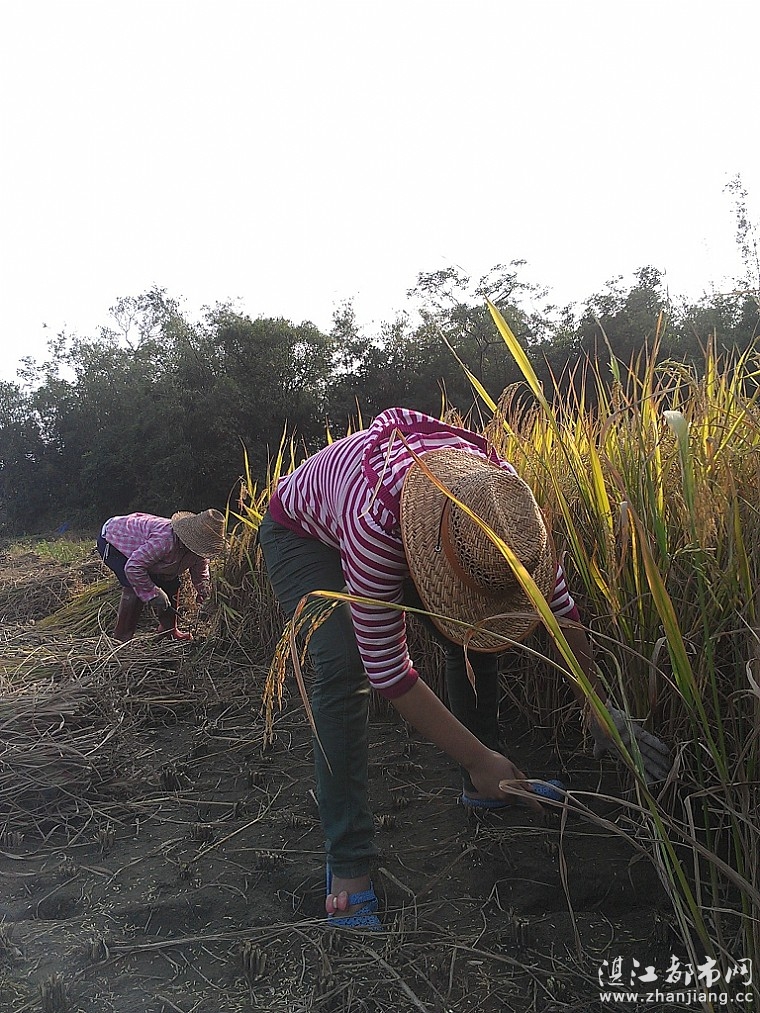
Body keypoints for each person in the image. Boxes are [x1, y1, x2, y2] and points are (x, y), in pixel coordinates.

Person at [258, 407, 671, 930]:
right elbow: (388, 670)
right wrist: (478, 758)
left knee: (477, 633)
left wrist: (597, 708)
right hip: (302, 534)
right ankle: (348, 860)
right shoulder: (376, 524)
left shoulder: (507, 505)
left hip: (405, 514)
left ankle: (482, 787)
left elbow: (561, 611)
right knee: (344, 670)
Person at [97, 508, 227, 642]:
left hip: (143, 550)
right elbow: (133, 567)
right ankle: (121, 638)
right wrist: (153, 593)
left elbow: (201, 576)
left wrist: (205, 596)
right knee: (134, 588)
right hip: (114, 540)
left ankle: (169, 631)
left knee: (171, 583)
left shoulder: (200, 552)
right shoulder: (165, 541)